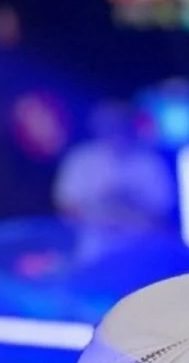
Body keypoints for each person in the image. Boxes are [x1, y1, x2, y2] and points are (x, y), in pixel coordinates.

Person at [52, 101, 174, 263]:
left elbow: (162, 214)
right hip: (93, 255)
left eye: (118, 125)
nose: (114, 132)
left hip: (141, 256)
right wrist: (100, 212)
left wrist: (126, 207)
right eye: (108, 126)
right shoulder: (80, 159)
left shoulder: (149, 163)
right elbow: (66, 205)